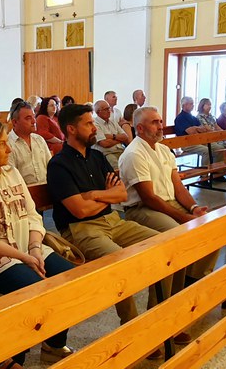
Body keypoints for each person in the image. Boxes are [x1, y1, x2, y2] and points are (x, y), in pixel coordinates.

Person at [0, 119, 75, 365]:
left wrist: (35, 248)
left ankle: (53, 343)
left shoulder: (11, 173)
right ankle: (14, 356)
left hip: (26, 246)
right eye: (1, 144)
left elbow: (32, 215)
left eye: (7, 143)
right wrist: (25, 257)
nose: (9, 149)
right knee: (34, 290)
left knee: (69, 279)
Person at [46, 104, 169, 351]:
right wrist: (106, 195)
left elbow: (121, 194)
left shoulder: (97, 157)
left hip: (113, 221)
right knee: (120, 261)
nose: (94, 128)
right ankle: (132, 328)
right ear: (71, 129)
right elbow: (79, 211)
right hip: (81, 229)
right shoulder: (59, 165)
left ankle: (156, 317)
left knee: (164, 245)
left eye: (93, 123)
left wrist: (93, 195)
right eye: (88, 124)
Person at [119, 106, 217, 324]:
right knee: (176, 237)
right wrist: (183, 218)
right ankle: (160, 311)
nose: (161, 126)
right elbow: (149, 198)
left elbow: (178, 188)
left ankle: (188, 288)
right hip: (142, 209)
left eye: (161, 121)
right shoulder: (134, 154)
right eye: (155, 122)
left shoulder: (164, 150)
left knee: (211, 227)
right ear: (140, 128)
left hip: (169, 203)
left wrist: (194, 209)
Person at [8, 101, 51, 185]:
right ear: (15, 122)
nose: (34, 121)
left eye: (34, 116)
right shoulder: (8, 144)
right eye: (28, 118)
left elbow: (51, 167)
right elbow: (11, 178)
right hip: (23, 190)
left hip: (47, 188)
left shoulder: (39, 140)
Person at [92, 100, 129, 169]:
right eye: (106, 109)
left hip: (121, 150)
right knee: (117, 169)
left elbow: (125, 137)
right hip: (107, 153)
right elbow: (104, 144)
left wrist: (112, 136)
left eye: (109, 108)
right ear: (98, 112)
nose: (109, 111)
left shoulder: (113, 121)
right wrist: (120, 139)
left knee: (131, 166)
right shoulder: (95, 124)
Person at [173, 96, 211, 164]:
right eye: (191, 104)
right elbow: (191, 132)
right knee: (206, 151)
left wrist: (195, 128)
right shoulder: (180, 118)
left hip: (197, 141)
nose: (193, 105)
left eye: (193, 104)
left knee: (217, 148)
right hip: (186, 143)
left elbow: (203, 129)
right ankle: (205, 170)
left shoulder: (193, 117)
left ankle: (218, 169)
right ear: (184, 105)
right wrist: (197, 128)